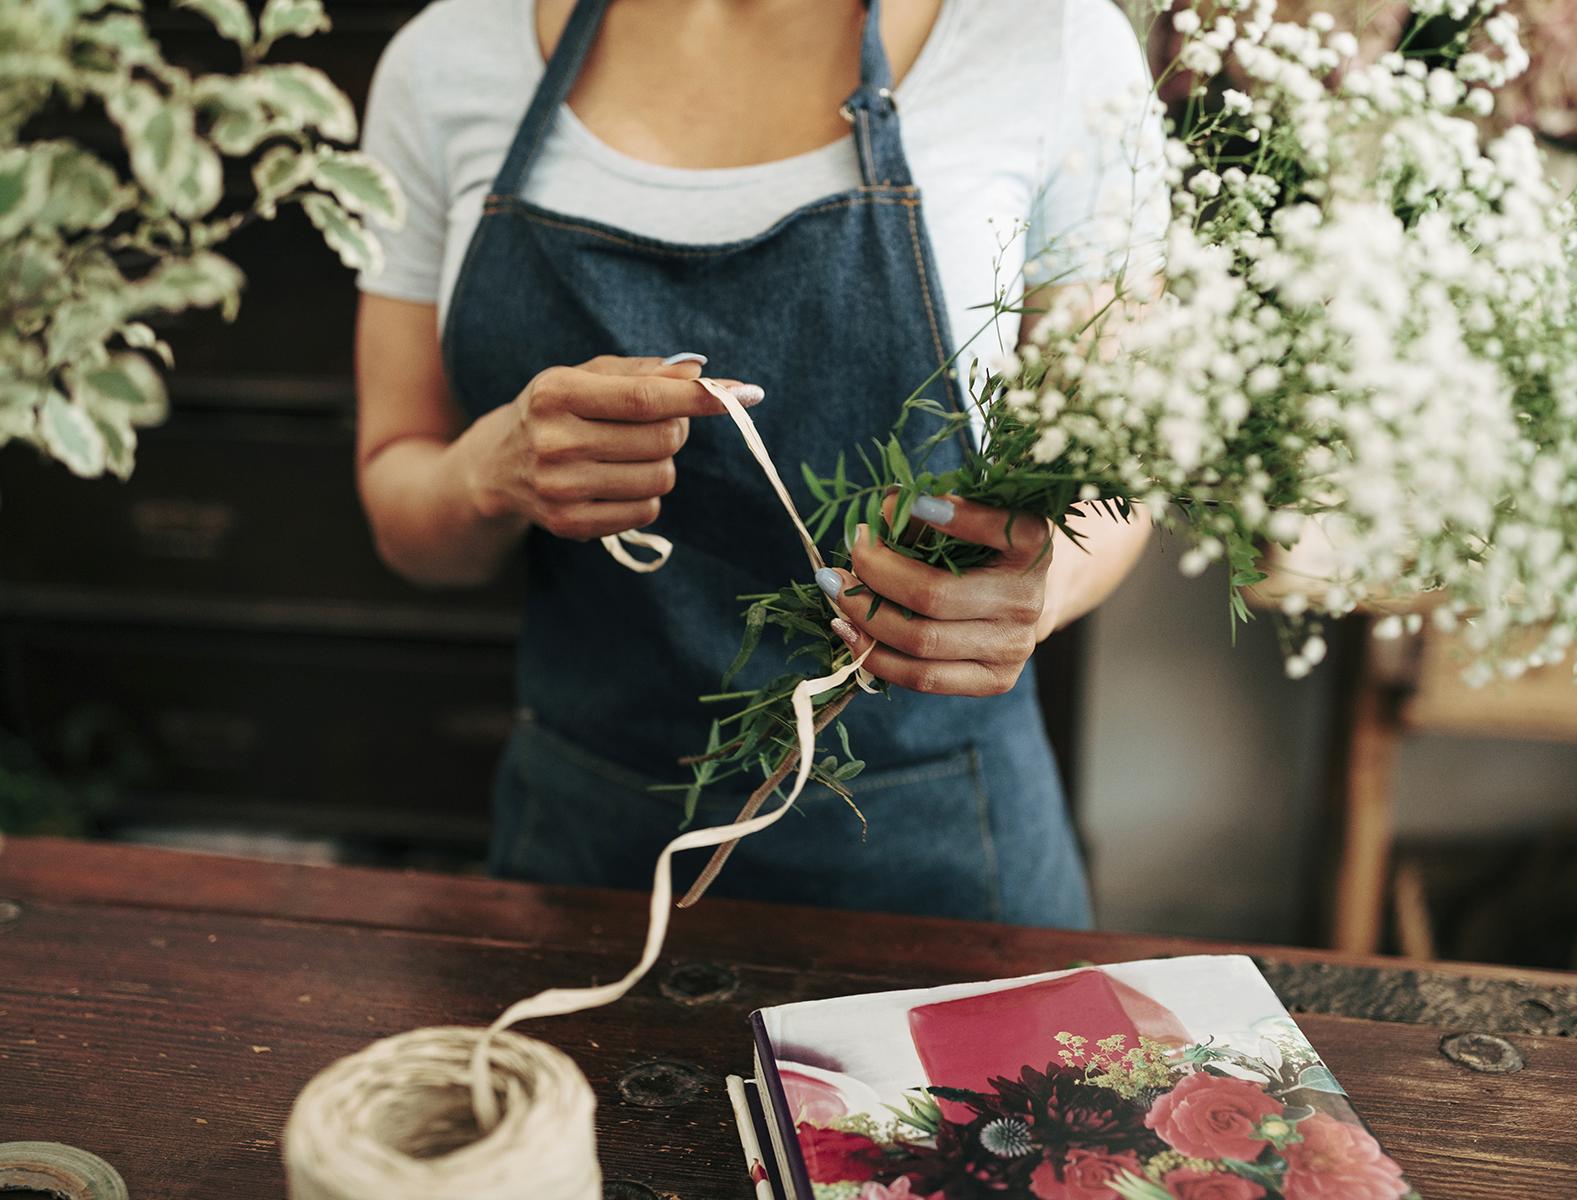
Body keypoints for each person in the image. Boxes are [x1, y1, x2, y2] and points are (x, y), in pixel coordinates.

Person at [354, 0, 1165, 927]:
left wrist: (1040, 589)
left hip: (940, 854)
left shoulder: (1043, 34)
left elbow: (1119, 478)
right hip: (581, 848)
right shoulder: (445, 56)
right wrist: (487, 472)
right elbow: (405, 518)